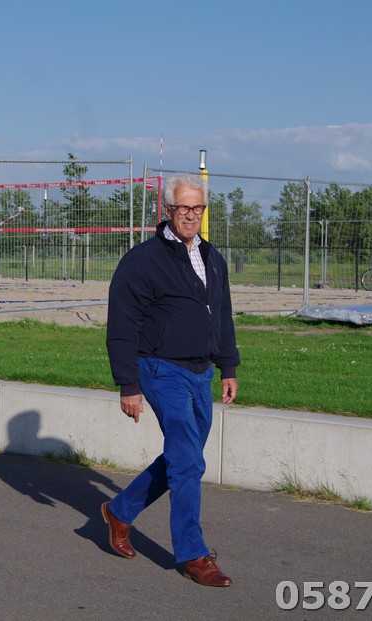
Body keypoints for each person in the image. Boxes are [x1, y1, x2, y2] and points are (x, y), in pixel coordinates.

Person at [103, 172, 240, 587]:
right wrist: (128, 385)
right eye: (183, 207)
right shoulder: (143, 260)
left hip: (201, 372)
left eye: (198, 208)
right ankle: (193, 554)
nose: (191, 215)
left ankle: (119, 512)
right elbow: (122, 325)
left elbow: (222, 314)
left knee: (184, 458)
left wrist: (228, 366)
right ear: (167, 209)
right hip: (160, 369)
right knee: (187, 461)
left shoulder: (211, 257)